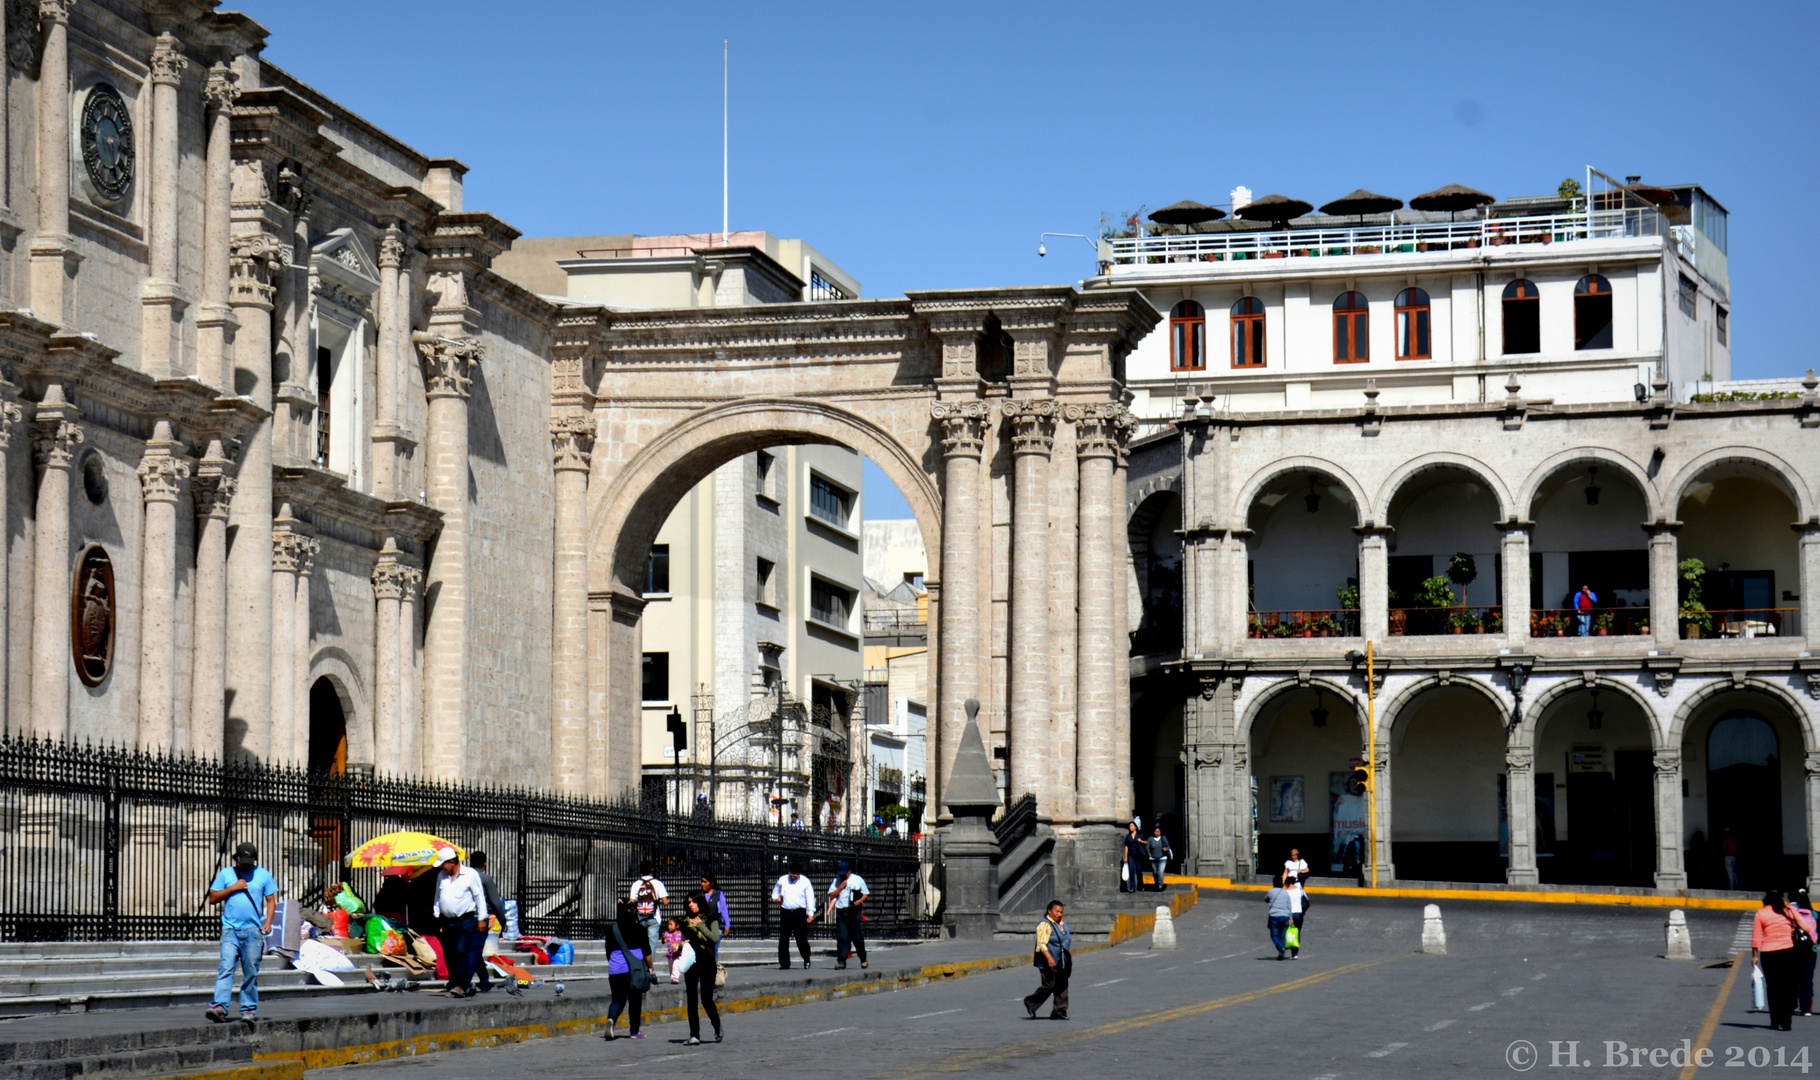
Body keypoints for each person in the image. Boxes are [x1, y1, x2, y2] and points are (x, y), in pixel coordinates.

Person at [205, 842, 278, 1023]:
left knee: (251, 971)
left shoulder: (263, 874)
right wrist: (232, 888)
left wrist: (268, 922)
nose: (245, 864)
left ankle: (248, 1009)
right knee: (226, 967)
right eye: (242, 860)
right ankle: (220, 1007)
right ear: (236, 858)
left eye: (248, 861)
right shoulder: (226, 874)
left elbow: (271, 900)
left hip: (253, 931)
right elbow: (213, 897)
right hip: (230, 930)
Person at [432, 846, 488, 998]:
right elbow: (438, 896)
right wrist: (437, 915)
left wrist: (482, 918)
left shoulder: (470, 874)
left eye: (444, 864)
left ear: (451, 862)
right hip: (446, 920)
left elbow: (479, 897)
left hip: (465, 920)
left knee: (461, 951)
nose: (443, 867)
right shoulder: (441, 876)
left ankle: (461, 985)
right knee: (449, 953)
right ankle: (454, 981)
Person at [1755, 889, 1807, 1031]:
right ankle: (1786, 1021)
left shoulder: (1762, 913)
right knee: (1786, 986)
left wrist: (1754, 956)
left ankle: (1775, 1021)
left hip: (1768, 953)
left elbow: (1756, 938)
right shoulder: (1789, 911)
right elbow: (1806, 926)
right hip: (1788, 952)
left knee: (1772, 988)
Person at [603, 899, 651, 1040]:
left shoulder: (612, 930)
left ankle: (611, 1019)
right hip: (634, 970)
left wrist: (615, 964)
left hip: (616, 969)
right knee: (635, 1000)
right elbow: (647, 952)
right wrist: (650, 967)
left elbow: (608, 952)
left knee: (617, 999)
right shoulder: (639, 929)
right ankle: (634, 1031)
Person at [681, 892, 723, 1045]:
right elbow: (682, 941)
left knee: (706, 998)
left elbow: (714, 938)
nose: (690, 904)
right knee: (691, 998)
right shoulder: (685, 922)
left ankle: (717, 1025)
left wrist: (700, 926)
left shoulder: (711, 918)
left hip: (707, 962)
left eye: (693, 902)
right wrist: (680, 946)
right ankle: (694, 1034)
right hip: (691, 963)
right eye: (688, 902)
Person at [1022, 900, 1071, 1021]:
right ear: (1049, 911)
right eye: (1057, 912)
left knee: (1062, 984)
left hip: (1061, 961)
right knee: (1050, 985)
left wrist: (1069, 958)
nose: (1059, 914)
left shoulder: (1063, 924)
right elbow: (1041, 944)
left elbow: (1065, 943)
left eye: (1061, 912)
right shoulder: (1045, 924)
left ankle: (1059, 1011)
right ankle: (1031, 1002)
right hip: (1047, 960)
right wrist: (1049, 958)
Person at [470, 851, 506, 994]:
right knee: (475, 950)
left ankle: (483, 980)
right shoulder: (485, 879)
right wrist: (502, 921)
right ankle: (479, 980)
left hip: (466, 918)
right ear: (484, 865)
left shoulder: (464, 877)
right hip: (482, 918)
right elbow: (496, 902)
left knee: (474, 950)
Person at [825, 860, 869, 970]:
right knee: (842, 937)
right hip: (841, 911)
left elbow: (866, 894)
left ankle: (863, 958)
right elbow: (831, 896)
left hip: (854, 911)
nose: (842, 876)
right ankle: (841, 960)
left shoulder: (857, 879)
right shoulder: (836, 881)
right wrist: (840, 887)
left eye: (844, 874)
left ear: (849, 871)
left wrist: (860, 901)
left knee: (857, 937)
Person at [772, 862, 816, 969]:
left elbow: (809, 898)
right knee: (784, 938)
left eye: (795, 875)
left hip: (799, 913)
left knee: (800, 937)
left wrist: (811, 913)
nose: (793, 876)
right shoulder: (782, 880)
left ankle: (806, 958)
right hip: (785, 912)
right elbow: (775, 893)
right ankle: (784, 962)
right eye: (791, 874)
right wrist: (776, 898)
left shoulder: (805, 882)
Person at [628, 859, 667, 970]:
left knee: (640, 944)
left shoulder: (636, 884)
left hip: (640, 917)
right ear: (652, 869)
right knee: (651, 945)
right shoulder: (657, 883)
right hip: (654, 917)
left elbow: (632, 901)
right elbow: (665, 902)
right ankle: (650, 969)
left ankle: (641, 968)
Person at [1797, 889, 1819, 1017]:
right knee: (1807, 979)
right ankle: (1806, 1008)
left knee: (1795, 979)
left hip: (1796, 950)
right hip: (1811, 950)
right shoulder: (1815, 915)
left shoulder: (1794, 915)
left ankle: (1793, 1004)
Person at [1264, 874, 1295, 960]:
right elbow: (1289, 906)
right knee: (1282, 935)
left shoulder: (1270, 892)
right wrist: (1291, 918)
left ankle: (1281, 948)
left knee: (1274, 935)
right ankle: (1282, 953)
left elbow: (1266, 899)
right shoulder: (1285, 892)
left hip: (1274, 916)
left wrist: (1271, 903)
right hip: (1285, 916)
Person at [699, 871, 730, 946]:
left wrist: (727, 925)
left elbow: (724, 910)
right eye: (701, 882)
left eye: (705, 882)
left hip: (715, 928)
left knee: (714, 953)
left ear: (711, 883)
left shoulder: (718, 894)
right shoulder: (699, 894)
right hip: (702, 928)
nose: (702, 884)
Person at [1285, 875, 1310, 959]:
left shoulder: (1285, 892)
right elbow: (1307, 902)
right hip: (1299, 913)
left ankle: (1285, 948)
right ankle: (1295, 953)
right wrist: (1303, 911)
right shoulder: (1300, 891)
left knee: (1287, 932)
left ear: (1287, 883)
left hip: (1289, 914)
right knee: (1297, 932)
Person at [1145, 824, 1172, 892]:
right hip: (1153, 858)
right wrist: (1148, 852)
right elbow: (1147, 847)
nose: (1157, 833)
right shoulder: (1150, 839)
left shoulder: (1163, 838)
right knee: (1155, 872)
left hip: (1162, 858)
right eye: (1156, 832)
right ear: (1154, 832)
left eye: (1158, 832)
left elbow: (1168, 846)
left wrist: (1166, 849)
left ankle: (1160, 885)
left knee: (1160, 871)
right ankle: (1156, 883)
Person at [1122, 821, 1145, 893]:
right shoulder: (1128, 837)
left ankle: (1140, 886)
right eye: (1129, 826)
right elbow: (1126, 846)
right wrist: (1125, 856)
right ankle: (1132, 887)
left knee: (1138, 870)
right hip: (1130, 854)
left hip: (1138, 854)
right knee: (1131, 870)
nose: (1130, 827)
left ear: (1135, 827)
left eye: (1132, 826)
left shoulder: (1140, 835)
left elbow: (1146, 842)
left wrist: (1141, 841)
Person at [662, 916, 686, 983]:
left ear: (677, 926)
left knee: (676, 965)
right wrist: (663, 938)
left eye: (671, 924)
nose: (669, 926)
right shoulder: (667, 934)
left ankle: (675, 978)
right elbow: (664, 942)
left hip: (678, 953)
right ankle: (672, 977)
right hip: (670, 953)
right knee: (671, 966)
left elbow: (683, 942)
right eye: (668, 924)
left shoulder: (680, 934)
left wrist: (681, 947)